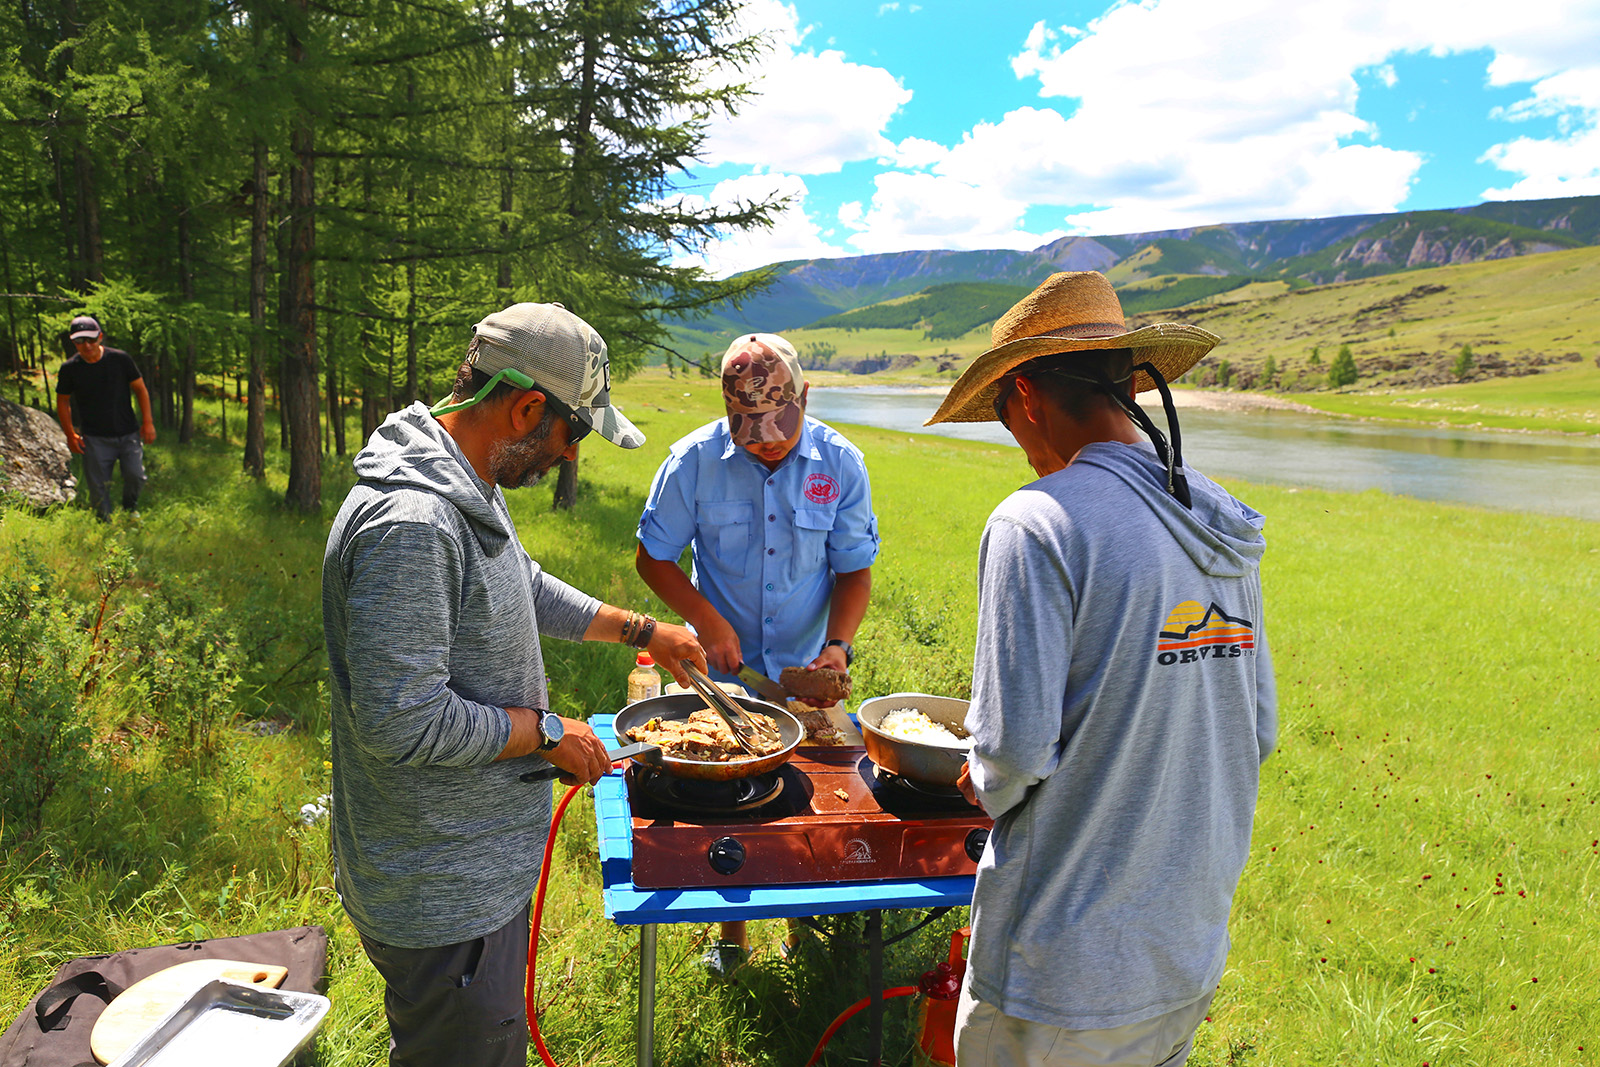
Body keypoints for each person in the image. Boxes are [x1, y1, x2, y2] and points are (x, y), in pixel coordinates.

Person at [322, 302, 707, 1067]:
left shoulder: (464, 477)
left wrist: (644, 630)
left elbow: (516, 583)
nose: (568, 457)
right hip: (442, 891)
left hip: (465, 868)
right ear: (528, 406)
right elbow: (405, 721)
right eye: (574, 435)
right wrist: (550, 731)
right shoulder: (415, 521)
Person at [925, 272, 1277, 1067]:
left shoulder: (1037, 520)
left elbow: (1011, 754)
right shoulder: (1216, 519)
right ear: (1125, 384)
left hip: (1062, 975)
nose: (1016, 440)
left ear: (1025, 394)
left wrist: (978, 775)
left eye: (1006, 419)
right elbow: (1257, 728)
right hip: (1183, 956)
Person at [635, 332, 880, 972]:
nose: (768, 440)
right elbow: (653, 557)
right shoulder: (692, 462)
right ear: (726, 410)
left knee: (813, 800)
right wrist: (705, 619)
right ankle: (732, 940)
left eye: (781, 424)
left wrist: (836, 648)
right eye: (751, 429)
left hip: (807, 673)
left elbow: (854, 571)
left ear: (805, 395)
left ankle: (804, 931)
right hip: (726, 675)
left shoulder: (840, 463)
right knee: (730, 808)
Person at [54, 314, 156, 520]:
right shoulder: (70, 369)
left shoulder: (120, 359)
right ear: (73, 342)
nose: (87, 345)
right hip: (95, 437)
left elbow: (140, 389)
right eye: (80, 341)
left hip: (128, 433)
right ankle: (104, 525)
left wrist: (148, 422)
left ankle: (130, 509)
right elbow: (62, 401)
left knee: (135, 476)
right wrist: (70, 434)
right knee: (98, 488)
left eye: (91, 339)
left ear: (100, 337)